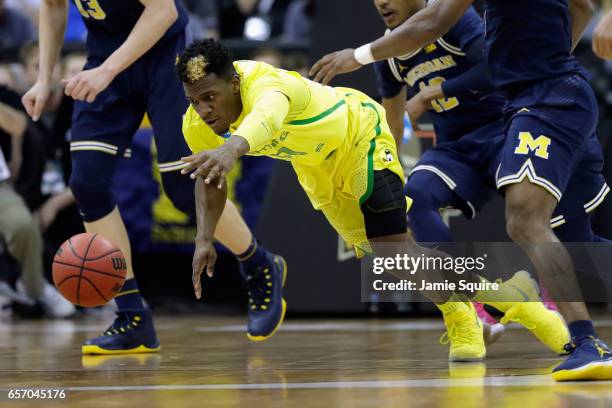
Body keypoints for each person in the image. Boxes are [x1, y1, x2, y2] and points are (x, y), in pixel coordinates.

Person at [177, 39, 568, 362]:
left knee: (391, 246)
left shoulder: (266, 84)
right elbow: (208, 180)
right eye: (195, 101)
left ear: (234, 83)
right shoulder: (197, 123)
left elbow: (266, 119)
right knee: (392, 259)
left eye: (210, 97)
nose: (203, 109)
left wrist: (232, 151)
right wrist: (205, 239)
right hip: (317, 169)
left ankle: (472, 313)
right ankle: (500, 295)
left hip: (360, 134)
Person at [310, 0, 611, 382]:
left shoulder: (453, 23)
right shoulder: (393, 53)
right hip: (500, 123)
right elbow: (583, 6)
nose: (382, 2)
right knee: (569, 239)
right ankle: (468, 308)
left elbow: (435, 22)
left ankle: (583, 341)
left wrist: (358, 57)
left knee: (532, 224)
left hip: (526, 114)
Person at [22, 0, 285, 354]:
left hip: (164, 60)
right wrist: (44, 79)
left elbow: (164, 12)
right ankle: (132, 316)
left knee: (182, 187)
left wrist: (107, 71)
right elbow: (53, 7)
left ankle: (258, 264)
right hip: (106, 61)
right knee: (87, 184)